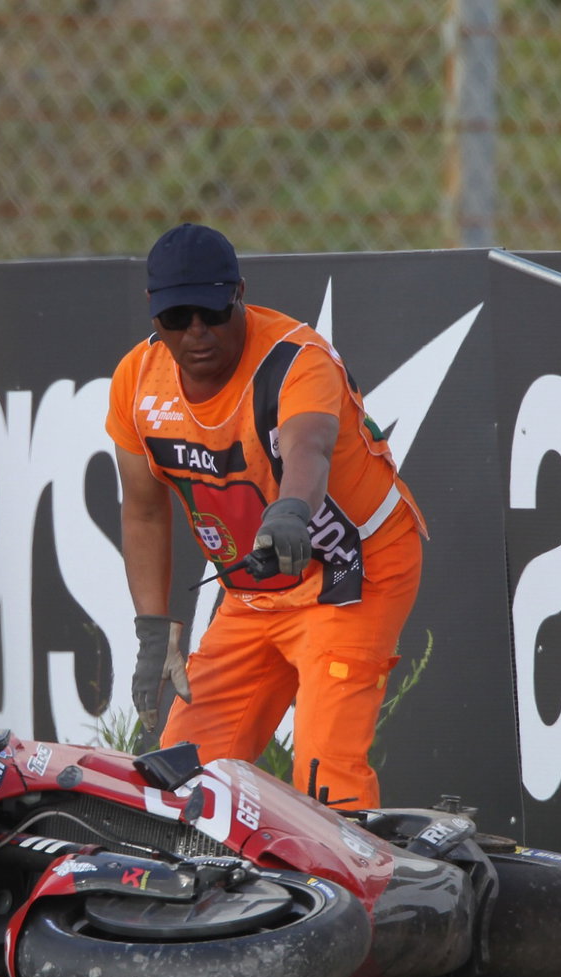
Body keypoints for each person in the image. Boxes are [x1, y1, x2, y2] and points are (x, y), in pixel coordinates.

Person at [106, 222, 425, 809]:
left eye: (211, 312)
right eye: (177, 317)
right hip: (254, 592)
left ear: (240, 295)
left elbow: (310, 448)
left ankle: (355, 871)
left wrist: (291, 510)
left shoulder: (295, 359)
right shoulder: (137, 380)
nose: (196, 332)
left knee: (325, 778)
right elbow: (144, 512)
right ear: (153, 314)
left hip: (351, 571)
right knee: (182, 777)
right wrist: (152, 629)